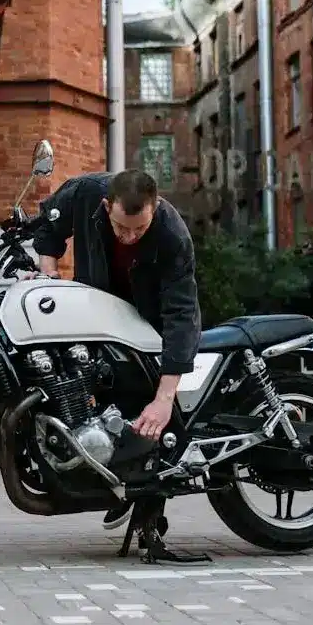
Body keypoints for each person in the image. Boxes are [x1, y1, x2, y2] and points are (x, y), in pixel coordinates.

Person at [30, 168, 202, 534]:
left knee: (148, 405)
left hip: (147, 324)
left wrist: (164, 396)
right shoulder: (85, 192)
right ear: (107, 206)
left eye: (139, 229)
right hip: (97, 311)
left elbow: (182, 314)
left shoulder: (172, 236)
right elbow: (48, 226)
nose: (129, 237)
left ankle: (148, 507)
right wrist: (48, 274)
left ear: (154, 209)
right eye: (121, 227)